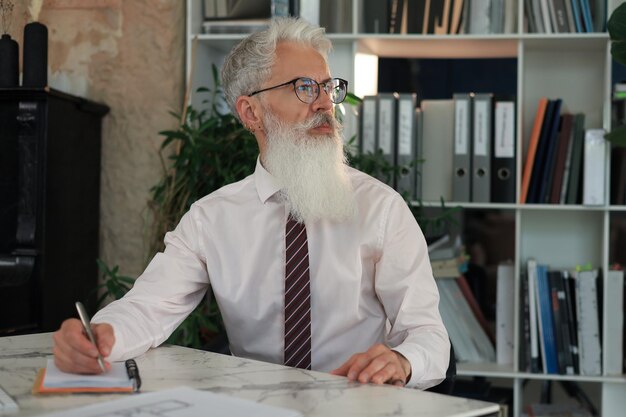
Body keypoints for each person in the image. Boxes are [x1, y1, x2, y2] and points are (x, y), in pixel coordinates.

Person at [53, 17, 450, 389]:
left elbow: (428, 336)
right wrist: (100, 339)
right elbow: (147, 308)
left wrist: (402, 360)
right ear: (251, 112)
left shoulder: (382, 209)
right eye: (305, 87)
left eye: (328, 87)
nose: (326, 104)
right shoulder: (211, 218)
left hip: (359, 405)